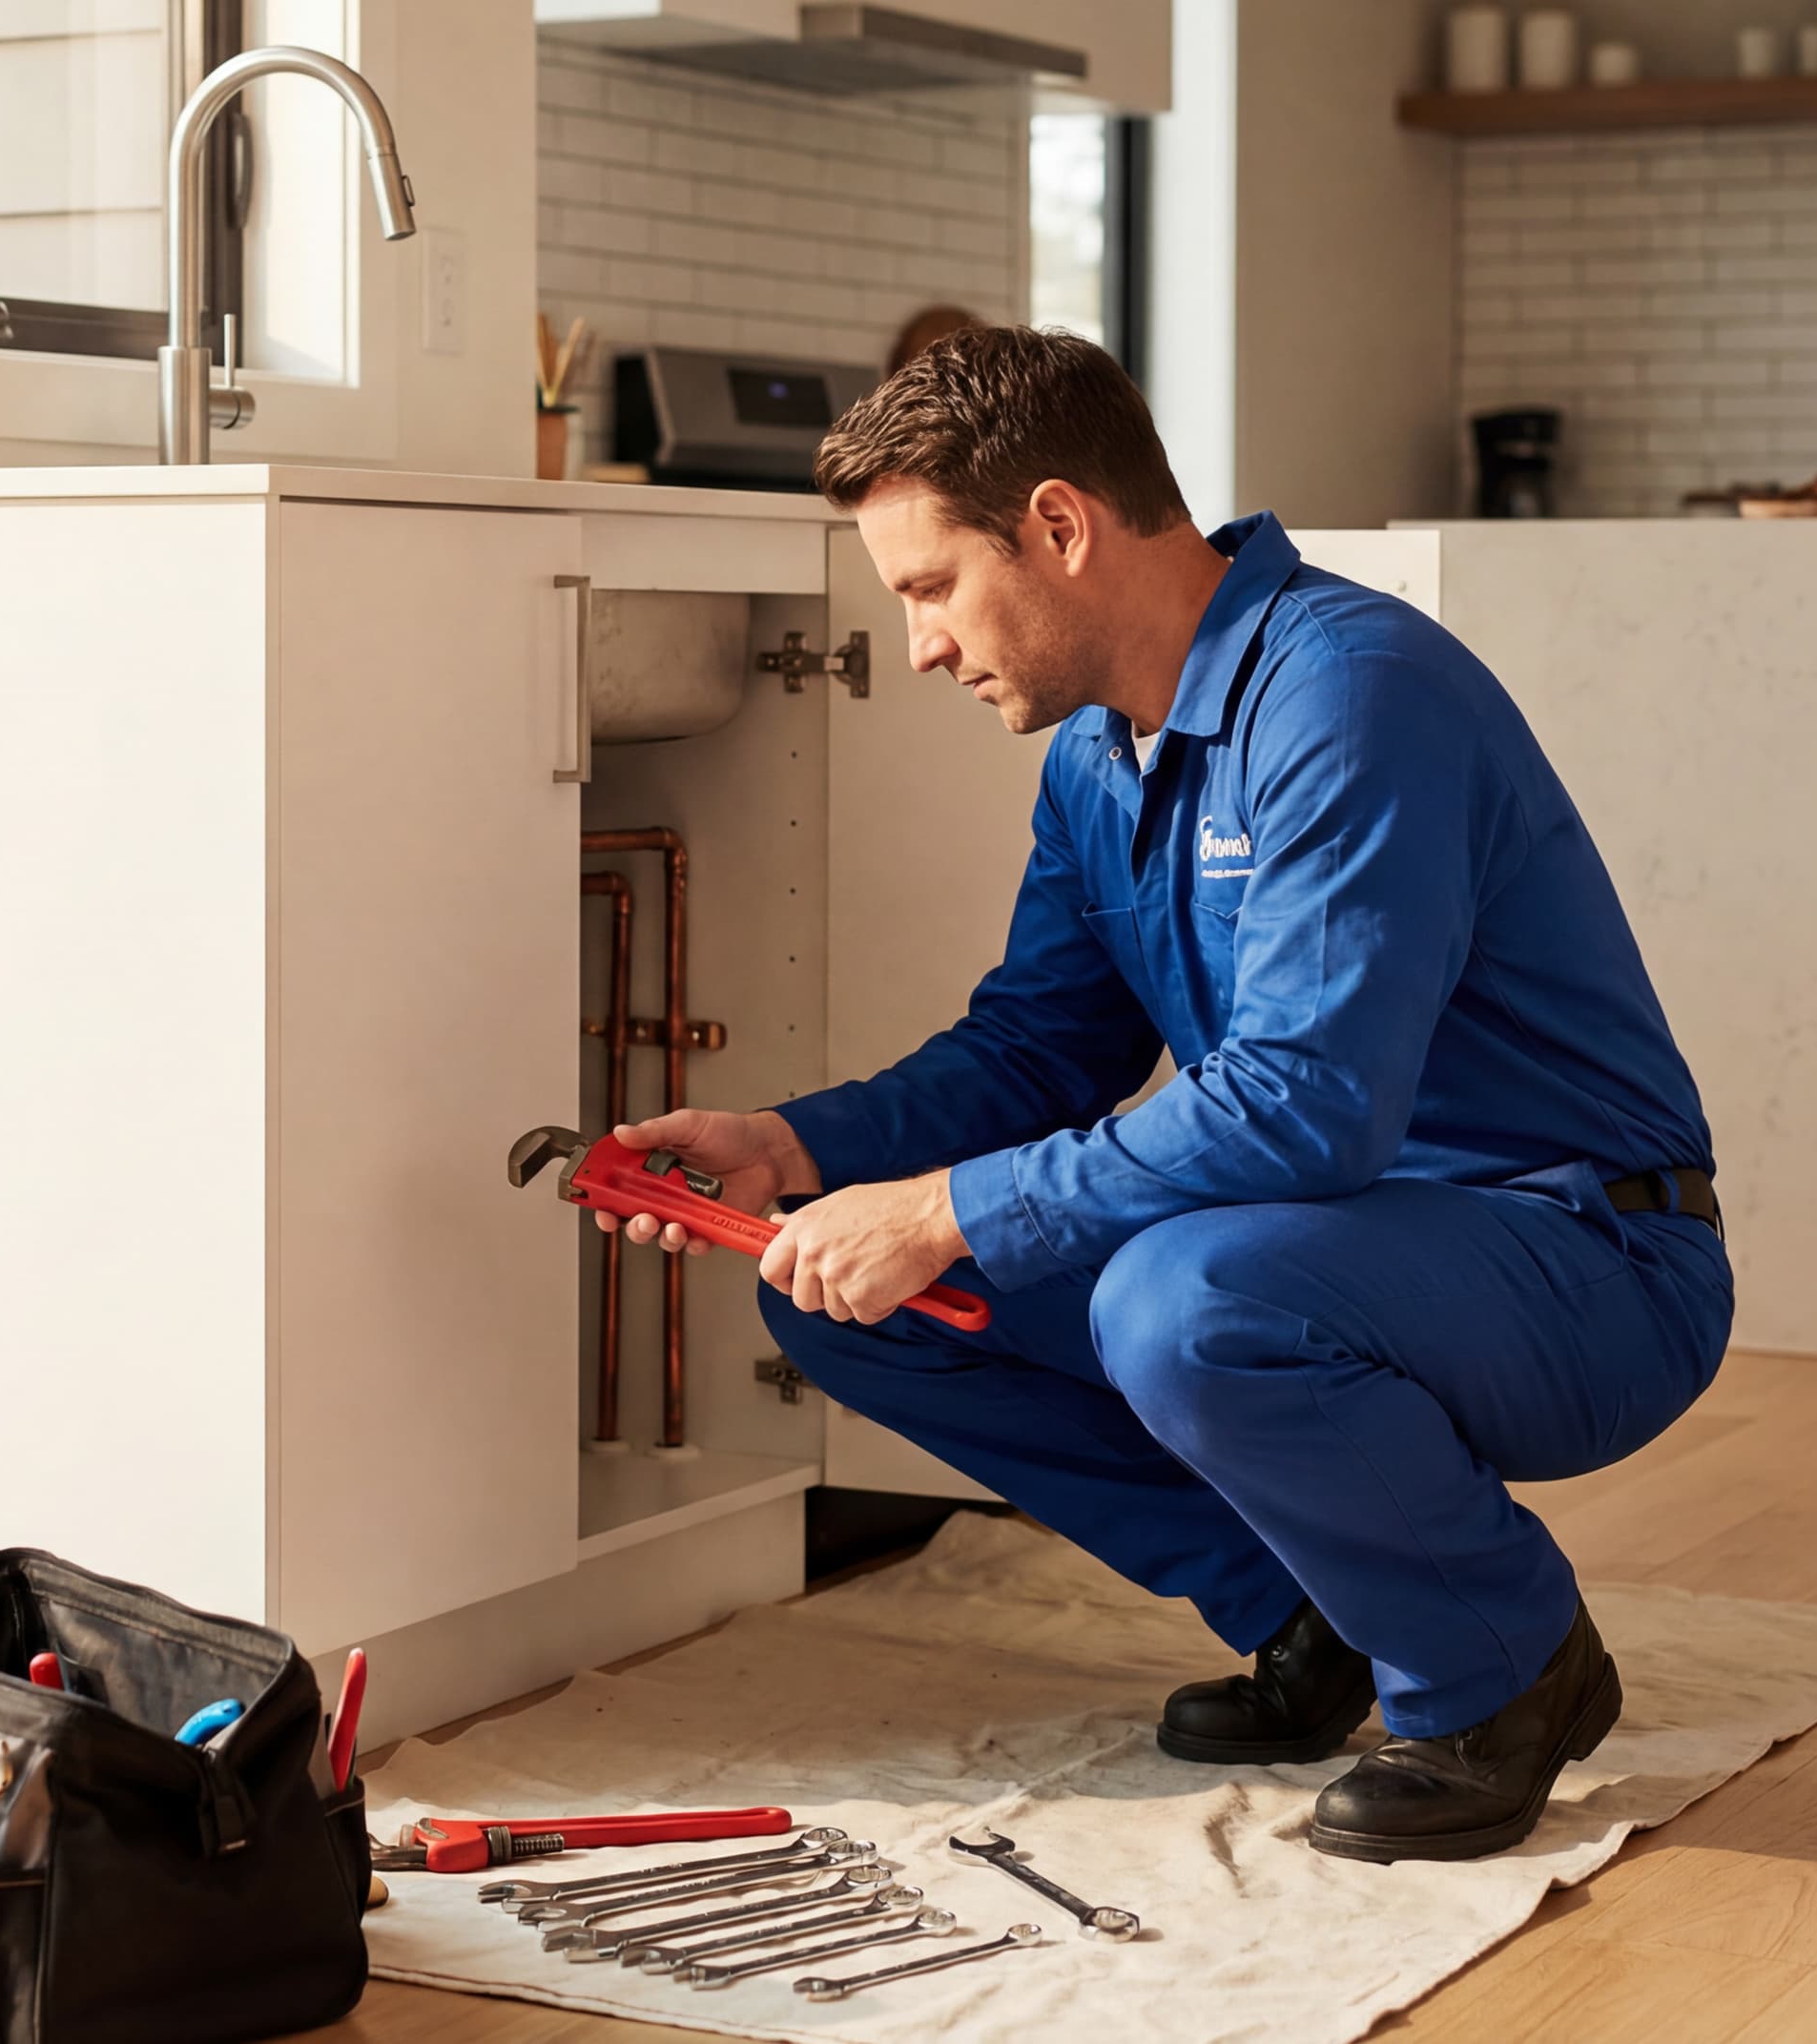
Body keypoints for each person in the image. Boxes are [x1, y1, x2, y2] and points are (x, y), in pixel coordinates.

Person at [603, 325, 1731, 1863]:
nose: (922, 646)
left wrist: (945, 1209)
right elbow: (1034, 1054)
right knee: (836, 1292)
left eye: (932, 587)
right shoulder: (1097, 762)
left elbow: (1309, 1103)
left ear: (1060, 527)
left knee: (1178, 1301)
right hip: (1334, 1238)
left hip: (1585, 1259)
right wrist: (799, 1149)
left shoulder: (1351, 693)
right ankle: (1319, 1613)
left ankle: (1505, 1665)